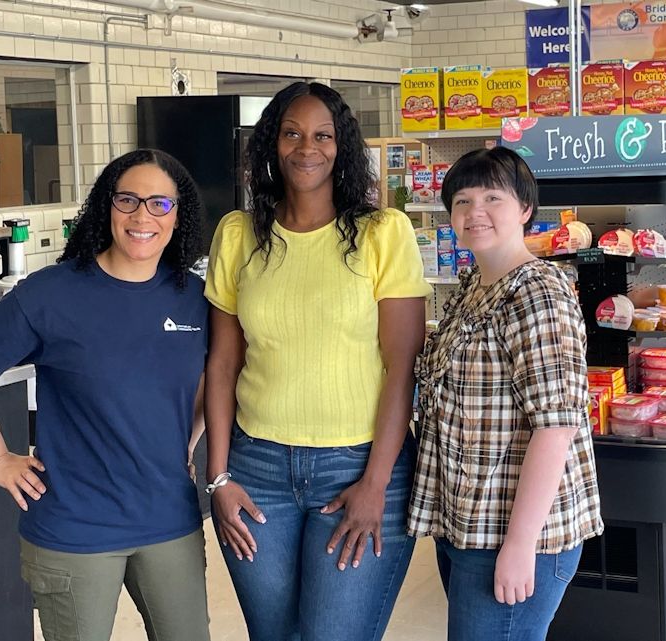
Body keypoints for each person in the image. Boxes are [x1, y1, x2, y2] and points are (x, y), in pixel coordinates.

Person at [0, 149, 211, 641]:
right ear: (106, 206)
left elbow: (212, 377)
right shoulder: (52, 294)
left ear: (179, 215)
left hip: (169, 518)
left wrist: (188, 441)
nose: (141, 216)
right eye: (127, 200)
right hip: (76, 527)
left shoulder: (192, 296)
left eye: (159, 204)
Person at [203, 81, 430, 641]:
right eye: (292, 133)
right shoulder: (238, 235)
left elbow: (402, 366)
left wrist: (376, 483)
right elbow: (223, 366)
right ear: (271, 144)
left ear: (341, 145)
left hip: (356, 467)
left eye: (323, 135)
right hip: (255, 473)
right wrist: (217, 478)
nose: (308, 147)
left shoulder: (382, 232)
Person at [407, 147, 604, 641]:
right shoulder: (474, 286)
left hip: (516, 533)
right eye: (462, 200)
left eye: (493, 197)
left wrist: (520, 544)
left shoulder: (537, 293)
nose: (475, 212)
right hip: (467, 523)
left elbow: (556, 425)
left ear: (524, 209)